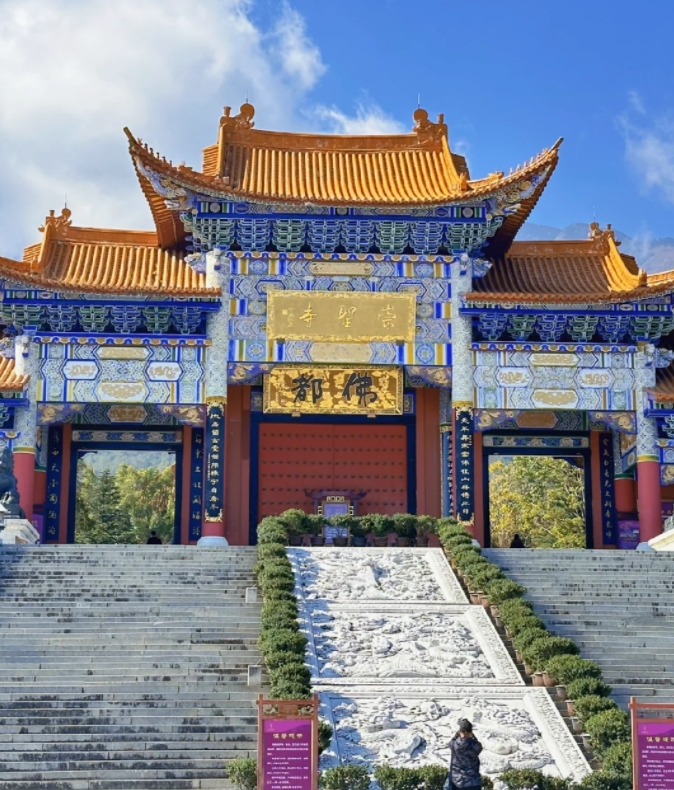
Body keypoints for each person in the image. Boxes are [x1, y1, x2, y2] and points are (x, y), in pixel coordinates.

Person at [449, 719, 483, 790]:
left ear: (460, 731)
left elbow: (451, 742)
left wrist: (456, 735)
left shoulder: (454, 744)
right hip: (473, 782)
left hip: (458, 781)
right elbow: (479, 747)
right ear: (470, 732)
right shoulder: (475, 745)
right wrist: (472, 737)